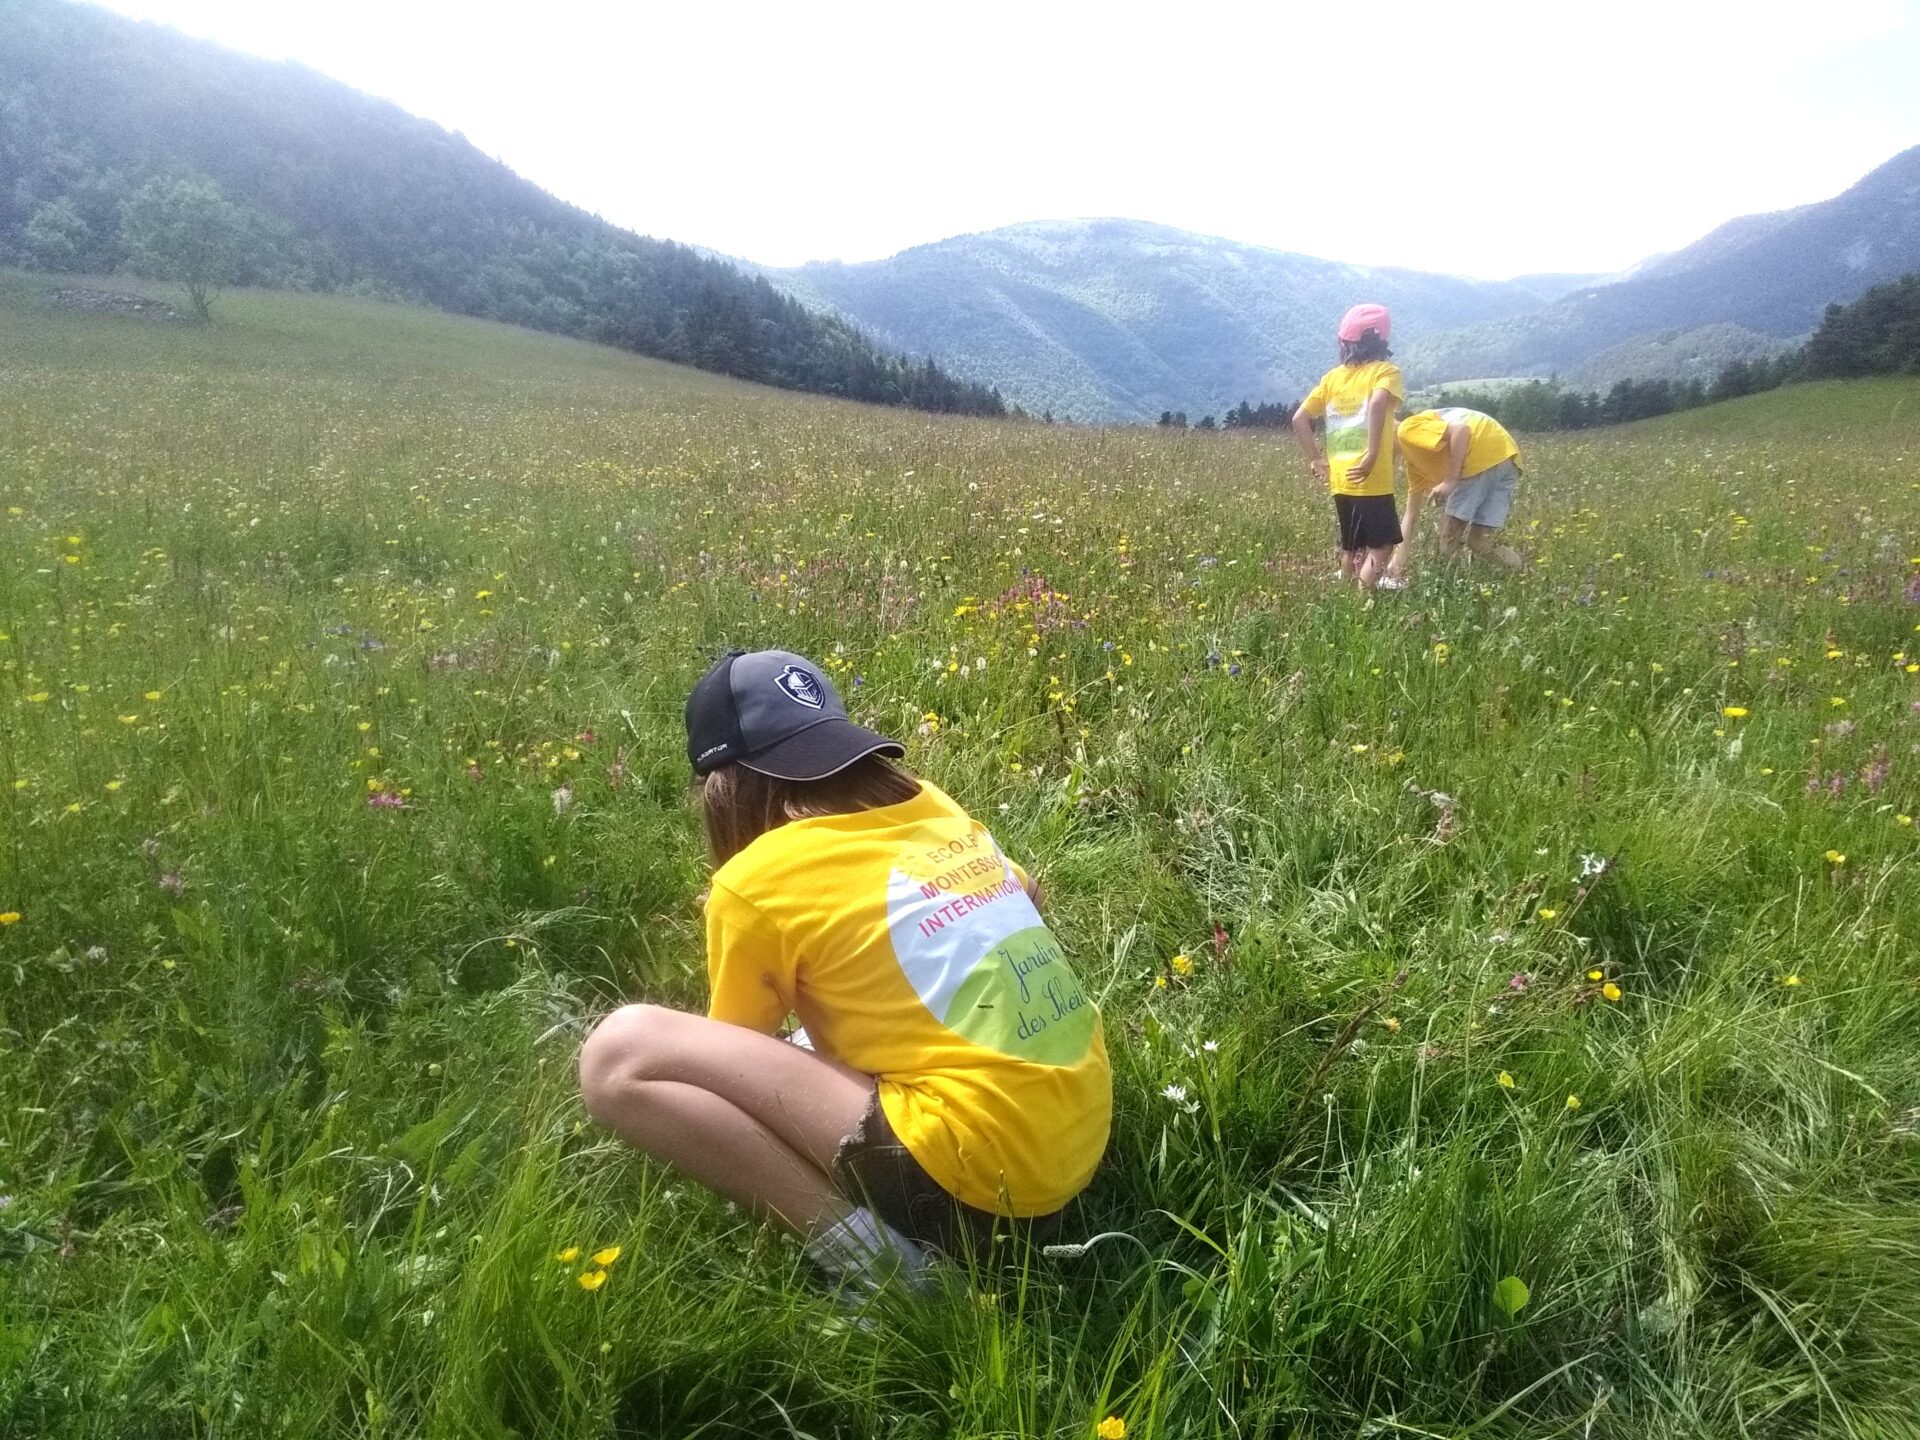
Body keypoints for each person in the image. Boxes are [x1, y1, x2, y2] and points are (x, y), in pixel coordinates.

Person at [578, 649, 1111, 1292]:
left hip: (971, 1186)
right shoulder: (929, 803)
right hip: (1075, 1143)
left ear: (721, 786)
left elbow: (735, 1062)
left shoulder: (754, 880)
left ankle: (889, 1272)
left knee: (620, 1053)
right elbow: (1028, 896)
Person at [1291, 303, 1406, 592]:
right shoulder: (1385, 372)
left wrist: (1315, 459)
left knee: (1352, 545)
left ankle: (1343, 594)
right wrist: (1372, 454)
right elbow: (1377, 403)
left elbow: (1299, 418)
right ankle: (1362, 598)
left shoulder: (1332, 378)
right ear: (1382, 341)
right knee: (1382, 545)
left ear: (1344, 342)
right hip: (1371, 477)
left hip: (1340, 477)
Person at [1390, 406, 1527, 575]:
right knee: (1478, 541)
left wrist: (1450, 480)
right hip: (1506, 456)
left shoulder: (1406, 429)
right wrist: (1397, 563)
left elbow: (1461, 431)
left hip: (1480, 453)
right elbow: (1411, 515)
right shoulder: (1415, 463)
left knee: (1449, 538)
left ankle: (1447, 584)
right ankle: (1527, 576)